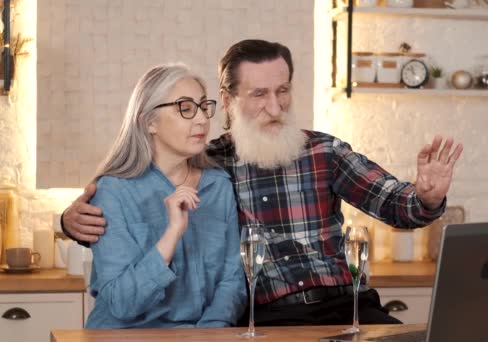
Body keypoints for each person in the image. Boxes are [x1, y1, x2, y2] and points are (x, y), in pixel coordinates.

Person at [62, 39, 463, 326]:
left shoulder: (323, 152)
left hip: (348, 303)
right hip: (272, 315)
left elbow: (393, 203)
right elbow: (127, 206)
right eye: (259, 94)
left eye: (283, 90)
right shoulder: (212, 160)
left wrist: (425, 196)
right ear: (230, 98)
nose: (275, 107)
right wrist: (69, 221)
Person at [83, 63, 246, 329]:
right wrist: (171, 234)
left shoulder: (218, 186)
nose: (202, 119)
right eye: (185, 108)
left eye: (203, 106)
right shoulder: (112, 191)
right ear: (150, 122)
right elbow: (121, 303)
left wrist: (209, 333)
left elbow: (232, 281)